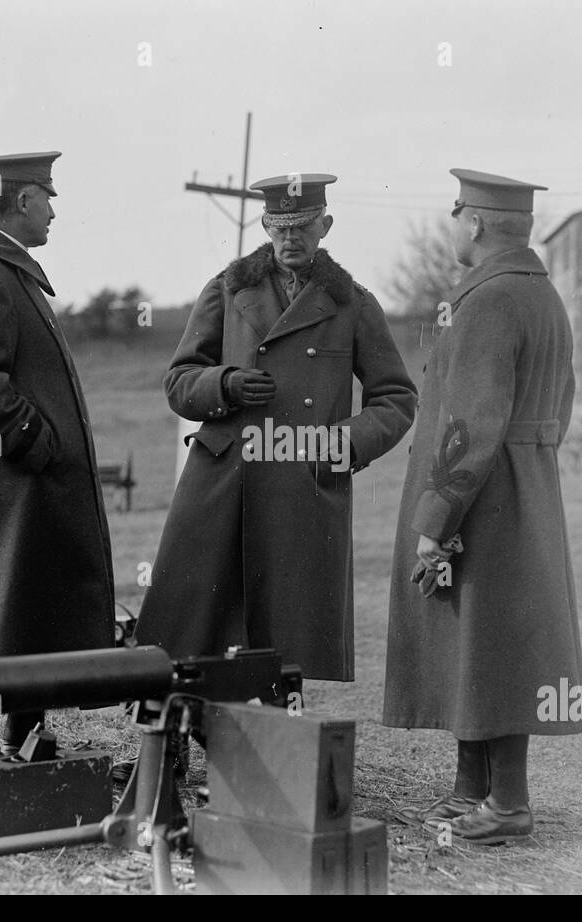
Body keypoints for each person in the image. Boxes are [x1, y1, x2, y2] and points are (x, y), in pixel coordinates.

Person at [135, 172, 416, 685]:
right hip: (223, 481)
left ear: (325, 225)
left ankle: (276, 734)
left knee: (287, 636)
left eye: (303, 227)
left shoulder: (353, 303)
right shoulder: (228, 289)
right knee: (196, 626)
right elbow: (178, 382)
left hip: (303, 480)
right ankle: (176, 736)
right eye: (280, 227)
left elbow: (396, 397)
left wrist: (346, 441)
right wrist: (224, 384)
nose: (291, 239)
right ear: (265, 224)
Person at [383, 168, 582, 844]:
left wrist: (434, 525)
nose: (451, 224)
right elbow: (559, 402)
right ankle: (471, 791)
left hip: (484, 494)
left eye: (455, 214)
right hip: (524, 487)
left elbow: (468, 423)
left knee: (494, 647)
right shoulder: (540, 295)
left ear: (473, 222)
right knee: (478, 641)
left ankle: (508, 804)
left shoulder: (488, 300)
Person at [0, 151, 115, 757]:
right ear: (24, 200)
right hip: (5, 475)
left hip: (16, 478)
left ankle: (20, 733)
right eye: (49, 196)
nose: (55, 210)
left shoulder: (0, 265)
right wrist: (39, 445)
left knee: (20, 608)